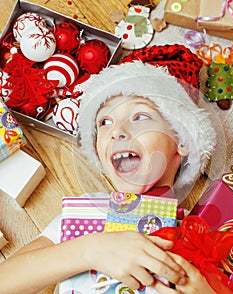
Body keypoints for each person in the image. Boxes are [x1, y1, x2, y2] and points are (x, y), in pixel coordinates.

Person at [0, 60, 216, 294]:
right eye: (104, 122)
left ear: (182, 138)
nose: (117, 132)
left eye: (139, 117)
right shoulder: (87, 213)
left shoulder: (207, 242)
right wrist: (92, 250)